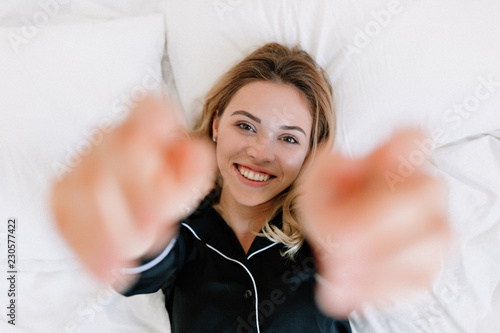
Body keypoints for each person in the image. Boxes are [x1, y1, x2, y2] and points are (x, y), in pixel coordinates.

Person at [51, 43, 450, 333]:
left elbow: (363, 249)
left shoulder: (321, 235)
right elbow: (142, 264)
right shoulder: (183, 229)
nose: (260, 151)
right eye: (245, 125)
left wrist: (387, 231)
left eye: (289, 139)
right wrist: (125, 223)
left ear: (312, 152)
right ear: (215, 125)